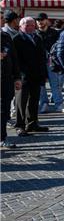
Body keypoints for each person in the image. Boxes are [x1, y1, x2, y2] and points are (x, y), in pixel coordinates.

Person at [13, 17, 49, 136]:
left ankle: (32, 123)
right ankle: (20, 125)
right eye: (28, 25)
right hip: (23, 76)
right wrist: (19, 75)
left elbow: (42, 57)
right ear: (21, 26)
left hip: (36, 75)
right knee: (21, 102)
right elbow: (15, 60)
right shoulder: (17, 39)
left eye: (33, 25)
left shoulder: (37, 37)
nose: (31, 27)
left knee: (34, 100)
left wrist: (43, 74)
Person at [35, 13, 63, 114]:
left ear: (47, 20)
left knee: (55, 84)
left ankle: (59, 104)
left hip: (52, 61)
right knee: (41, 84)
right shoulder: (35, 33)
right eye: (38, 20)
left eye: (41, 20)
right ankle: (44, 104)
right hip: (39, 62)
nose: (40, 22)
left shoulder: (54, 33)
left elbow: (58, 46)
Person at [1, 14, 21, 148]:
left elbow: (14, 57)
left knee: (4, 109)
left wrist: (17, 77)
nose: (2, 20)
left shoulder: (5, 36)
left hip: (6, 79)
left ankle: (2, 137)